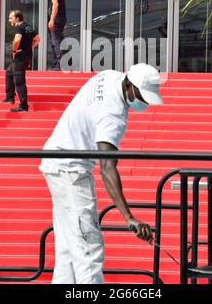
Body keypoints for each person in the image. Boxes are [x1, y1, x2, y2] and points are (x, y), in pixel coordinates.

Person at [39, 63, 164, 284]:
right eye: (142, 96)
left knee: (68, 247)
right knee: (89, 247)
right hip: (72, 171)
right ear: (129, 85)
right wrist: (129, 218)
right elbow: (107, 167)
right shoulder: (113, 114)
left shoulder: (108, 76)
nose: (144, 102)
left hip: (54, 160)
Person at [3, 10, 40, 112]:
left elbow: (17, 40)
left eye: (11, 18)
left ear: (17, 18)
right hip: (26, 56)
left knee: (19, 81)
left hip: (20, 57)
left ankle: (23, 106)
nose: (9, 20)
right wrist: (28, 47)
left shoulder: (19, 28)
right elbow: (37, 39)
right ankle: (10, 96)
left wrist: (14, 50)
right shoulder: (28, 27)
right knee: (9, 73)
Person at [42, 0, 66, 71]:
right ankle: (56, 64)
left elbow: (55, 4)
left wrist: (51, 19)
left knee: (56, 42)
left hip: (56, 19)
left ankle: (60, 65)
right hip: (61, 18)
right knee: (55, 41)